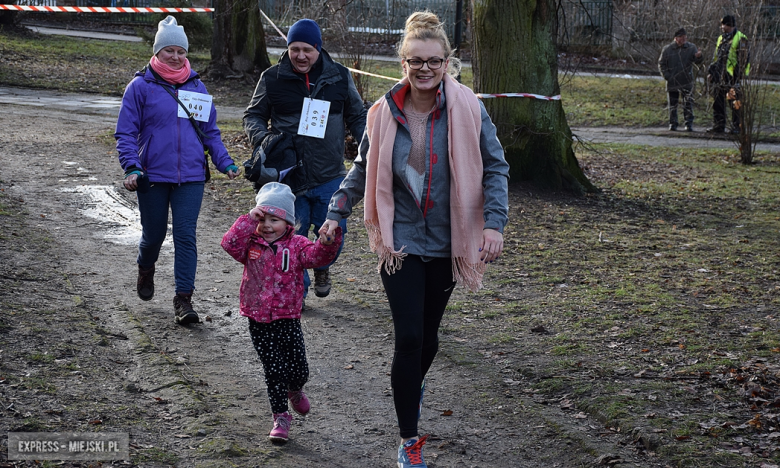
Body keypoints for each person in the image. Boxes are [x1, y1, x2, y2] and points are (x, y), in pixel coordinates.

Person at [319, 11, 509, 468]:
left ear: (447, 62)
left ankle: (410, 384)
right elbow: (363, 169)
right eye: (416, 61)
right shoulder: (383, 113)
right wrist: (335, 213)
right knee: (408, 337)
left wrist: (494, 223)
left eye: (434, 61)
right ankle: (409, 440)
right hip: (400, 240)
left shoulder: (469, 108)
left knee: (428, 339)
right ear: (402, 62)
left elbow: (496, 166)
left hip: (449, 240)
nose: (425, 69)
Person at [115, 16, 241, 325]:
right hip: (153, 176)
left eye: (180, 52)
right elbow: (126, 133)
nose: (175, 56)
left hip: (192, 177)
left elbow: (210, 132)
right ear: (157, 52)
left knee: (186, 236)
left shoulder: (197, 86)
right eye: (169, 50)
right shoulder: (140, 87)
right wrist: (132, 166)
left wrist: (225, 162)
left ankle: (183, 299)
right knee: (153, 236)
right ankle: (146, 268)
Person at [243, 18, 367, 307]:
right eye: (294, 49)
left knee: (335, 232)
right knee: (289, 239)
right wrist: (263, 139)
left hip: (330, 174)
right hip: (288, 177)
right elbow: (253, 116)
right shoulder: (272, 78)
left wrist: (367, 146)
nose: (300, 56)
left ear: (318, 48)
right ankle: (297, 294)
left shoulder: (339, 76)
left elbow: (358, 115)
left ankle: (322, 265)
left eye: (306, 50)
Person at [220, 182, 342, 443]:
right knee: (273, 369)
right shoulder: (250, 243)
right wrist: (246, 220)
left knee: (299, 369)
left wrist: (328, 242)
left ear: (287, 222)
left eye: (274, 219)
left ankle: (295, 390)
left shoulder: (297, 245)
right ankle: (281, 416)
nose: (266, 226)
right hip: (258, 318)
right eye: (262, 219)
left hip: (287, 316)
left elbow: (317, 257)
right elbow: (229, 244)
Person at [706, 15, 750, 134]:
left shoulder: (741, 38)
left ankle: (737, 127)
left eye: (723, 25)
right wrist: (712, 72)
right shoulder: (721, 38)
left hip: (732, 77)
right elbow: (717, 57)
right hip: (719, 75)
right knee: (718, 103)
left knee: (735, 103)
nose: (722, 27)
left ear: (728, 25)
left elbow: (744, 60)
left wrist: (738, 77)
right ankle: (719, 126)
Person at [658, 28, 703, 131]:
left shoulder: (691, 48)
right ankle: (673, 123)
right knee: (672, 104)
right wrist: (667, 76)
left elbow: (697, 61)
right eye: (681, 37)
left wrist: (699, 57)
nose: (684, 39)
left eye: (685, 37)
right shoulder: (667, 49)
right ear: (676, 38)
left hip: (686, 81)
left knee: (688, 104)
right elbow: (661, 64)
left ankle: (688, 123)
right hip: (672, 82)